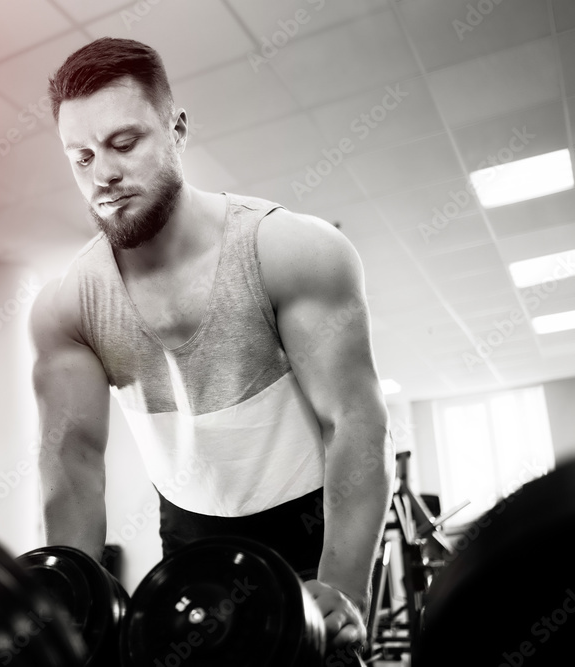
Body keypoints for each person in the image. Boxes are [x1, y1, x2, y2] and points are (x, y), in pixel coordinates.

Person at [29, 37, 393, 651]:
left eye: (124, 143)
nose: (104, 174)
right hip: (190, 532)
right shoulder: (67, 305)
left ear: (177, 129)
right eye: (81, 157)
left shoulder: (290, 252)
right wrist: (75, 609)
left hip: (311, 521)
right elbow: (74, 460)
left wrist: (344, 586)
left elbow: (353, 419)